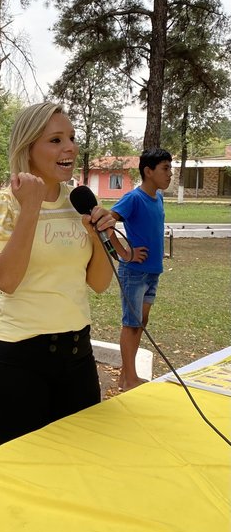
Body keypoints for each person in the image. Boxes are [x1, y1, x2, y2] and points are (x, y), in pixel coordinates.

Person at [0, 102, 117, 447]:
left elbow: (98, 283)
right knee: (25, 481)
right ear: (28, 148)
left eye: (70, 137)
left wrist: (102, 237)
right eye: (55, 140)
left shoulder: (80, 201)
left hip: (78, 357)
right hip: (19, 365)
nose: (69, 147)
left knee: (78, 470)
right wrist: (31, 206)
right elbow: (6, 279)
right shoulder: (0, 204)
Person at [110, 148, 173, 391]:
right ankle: (130, 380)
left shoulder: (159, 197)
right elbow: (106, 223)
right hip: (134, 273)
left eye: (170, 168)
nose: (170, 174)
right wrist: (124, 253)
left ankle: (126, 376)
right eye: (165, 169)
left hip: (152, 272)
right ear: (148, 171)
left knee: (141, 322)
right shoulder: (133, 198)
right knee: (132, 323)